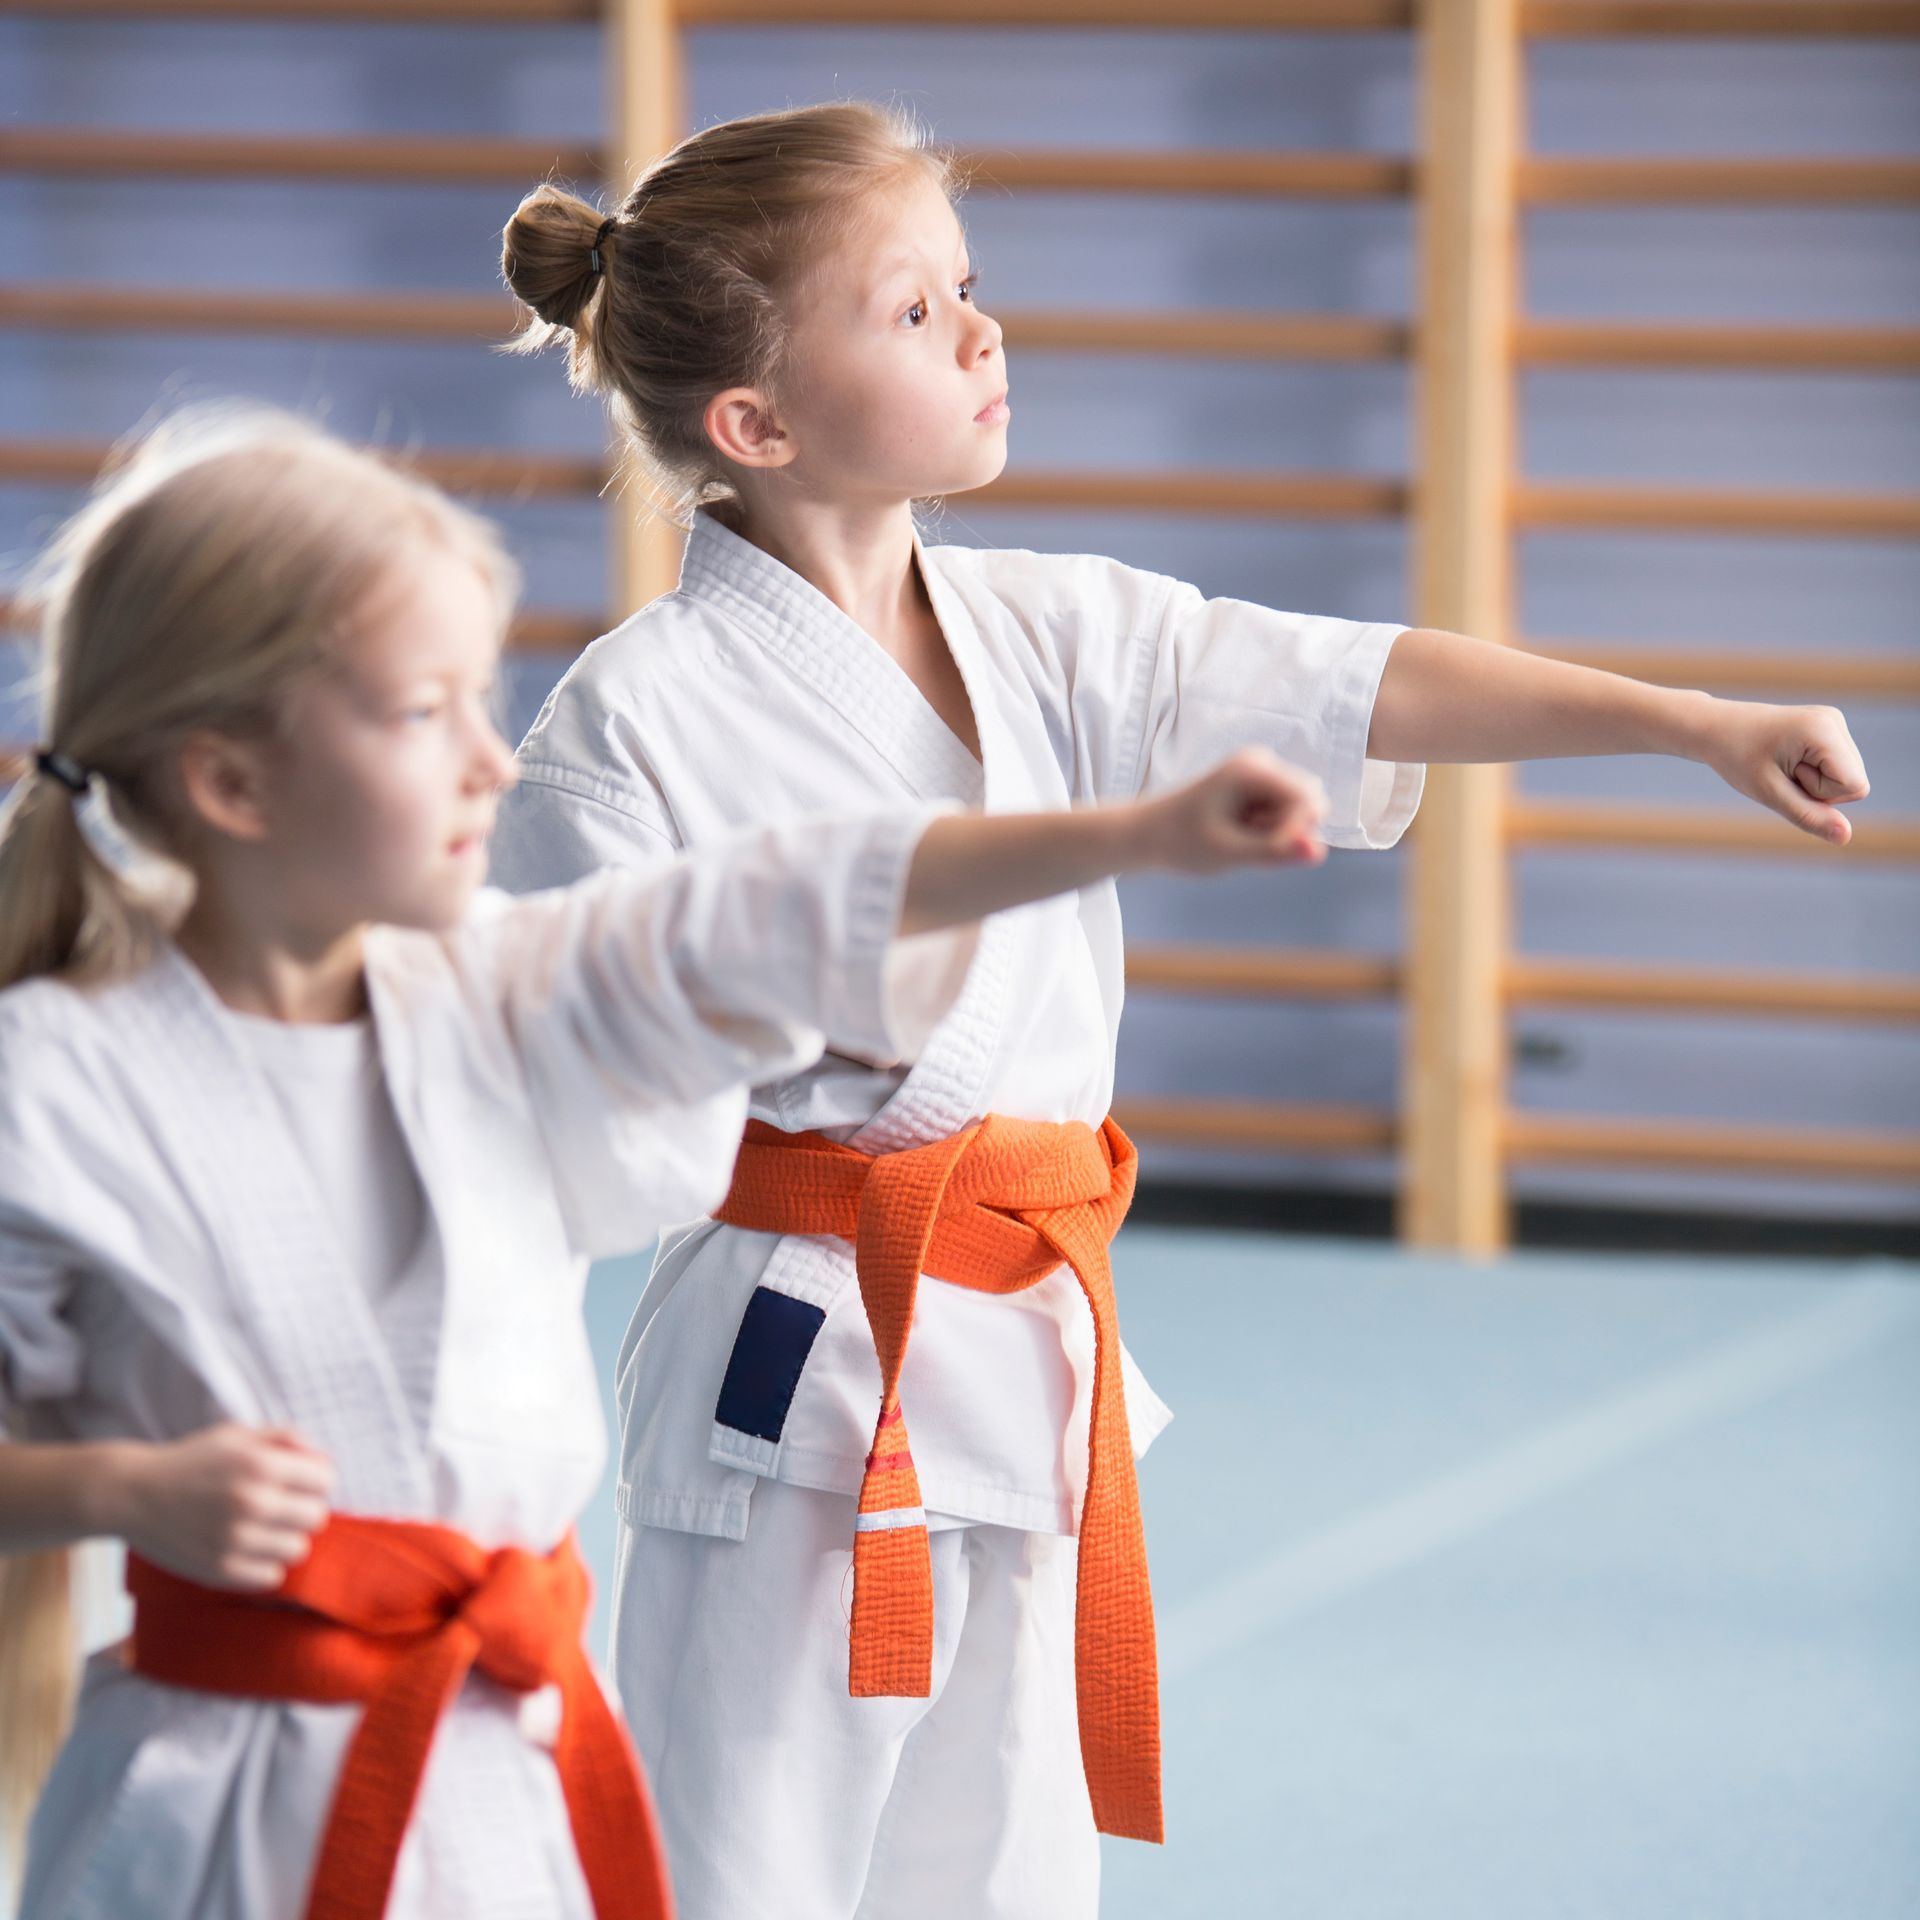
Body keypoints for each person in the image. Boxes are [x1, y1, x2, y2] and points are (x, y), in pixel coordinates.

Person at [494, 102, 1871, 1919]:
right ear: (754, 424)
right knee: (746, 1870)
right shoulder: (632, 724)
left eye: (966, 291)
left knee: (1001, 1875)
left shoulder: (1050, 630)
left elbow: (1359, 682)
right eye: (909, 315)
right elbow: (557, 1078)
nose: (982, 335)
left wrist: (1685, 719)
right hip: (797, 1378)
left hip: (1031, 1353)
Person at [0, 402, 1334, 1920]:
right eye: (421, 713)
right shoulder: (52, 1089)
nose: (492, 767)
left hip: (496, 1785)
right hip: (212, 1799)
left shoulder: (500, 991)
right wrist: (126, 1486)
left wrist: (1126, 836)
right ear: (230, 783)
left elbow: (775, 901)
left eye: (478, 702)